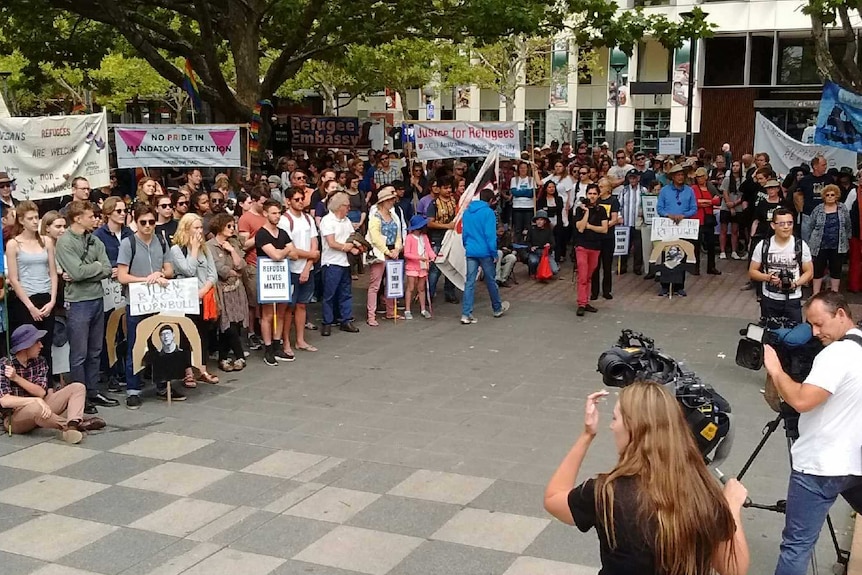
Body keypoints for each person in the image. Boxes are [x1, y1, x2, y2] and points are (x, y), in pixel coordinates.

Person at [543, 382, 749, 575]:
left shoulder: (606, 492)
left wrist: (587, 435)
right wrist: (730, 507)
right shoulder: (702, 491)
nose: (611, 426)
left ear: (633, 428)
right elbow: (733, 568)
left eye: (615, 418)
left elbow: (553, 499)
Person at [764, 291, 862, 575]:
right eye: (811, 326)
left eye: (820, 324)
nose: (816, 332)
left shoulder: (836, 354)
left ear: (841, 314)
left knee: (797, 546)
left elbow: (802, 400)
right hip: (855, 462)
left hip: (818, 467)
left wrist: (777, 370)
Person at [54, 200, 118, 414]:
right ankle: (78, 395)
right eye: (90, 216)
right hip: (78, 301)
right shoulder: (65, 242)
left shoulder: (94, 239)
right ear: (78, 218)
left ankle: (92, 390)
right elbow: (77, 272)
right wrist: (95, 268)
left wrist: (91, 269)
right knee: (79, 352)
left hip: (97, 298)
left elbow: (107, 268)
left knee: (95, 349)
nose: (95, 219)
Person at [0, 325, 106, 443]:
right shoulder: (4, 365)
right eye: (37, 342)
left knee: (78, 387)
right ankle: (70, 426)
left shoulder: (40, 361)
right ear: (26, 346)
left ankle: (73, 424)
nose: (41, 345)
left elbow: (40, 392)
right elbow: (5, 401)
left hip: (42, 405)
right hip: (15, 417)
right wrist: (34, 401)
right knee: (36, 408)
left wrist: (16, 378)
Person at [117, 205, 177, 407]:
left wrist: (160, 274)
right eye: (143, 222)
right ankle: (133, 389)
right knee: (136, 344)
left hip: (158, 301)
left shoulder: (160, 240)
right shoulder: (128, 243)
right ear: (136, 222)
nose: (148, 226)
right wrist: (146, 279)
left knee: (160, 342)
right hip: (136, 301)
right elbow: (122, 276)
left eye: (151, 221)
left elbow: (169, 269)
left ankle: (162, 384)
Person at [6, 201, 58, 371]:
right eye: (31, 218)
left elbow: (52, 272)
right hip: (26, 298)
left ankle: (48, 386)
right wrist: (30, 306)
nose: (35, 221)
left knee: (47, 346)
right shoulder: (14, 244)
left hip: (46, 296)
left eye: (37, 217)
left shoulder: (46, 241)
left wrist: (52, 301)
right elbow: (14, 279)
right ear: (21, 221)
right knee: (29, 346)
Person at [171, 214, 219, 384]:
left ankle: (202, 369)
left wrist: (205, 289)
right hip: (185, 299)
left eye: (201, 228)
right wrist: (193, 249)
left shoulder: (205, 248)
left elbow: (213, 273)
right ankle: (187, 371)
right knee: (185, 335)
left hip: (202, 298)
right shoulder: (176, 249)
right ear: (186, 228)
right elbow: (188, 270)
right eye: (196, 228)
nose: (200, 231)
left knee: (202, 334)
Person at [749, 208, 814, 327]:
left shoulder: (800, 245)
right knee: (770, 334)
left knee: (793, 334)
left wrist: (795, 284)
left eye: (790, 223)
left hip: (793, 299)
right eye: (782, 223)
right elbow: (752, 271)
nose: (786, 227)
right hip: (770, 298)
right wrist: (768, 277)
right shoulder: (763, 245)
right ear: (773, 225)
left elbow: (809, 272)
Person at [255, 200, 297, 366]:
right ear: (265, 213)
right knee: (266, 313)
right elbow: (277, 256)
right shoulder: (262, 234)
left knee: (281, 311)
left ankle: (277, 344)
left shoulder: (283, 232)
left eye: (279, 213)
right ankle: (268, 349)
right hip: (267, 275)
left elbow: (293, 254)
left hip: (281, 275)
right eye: (273, 213)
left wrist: (283, 251)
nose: (277, 216)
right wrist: (285, 250)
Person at [278, 187, 320, 353]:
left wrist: (308, 266)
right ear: (288, 201)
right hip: (291, 268)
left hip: (306, 268)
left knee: (302, 305)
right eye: (296, 199)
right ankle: (286, 342)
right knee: (289, 307)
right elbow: (292, 250)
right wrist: (312, 255)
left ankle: (300, 340)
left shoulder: (308, 219)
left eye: (302, 198)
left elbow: (314, 243)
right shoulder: (285, 220)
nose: (301, 201)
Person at [460, 188, 510, 325]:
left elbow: (464, 233)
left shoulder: (467, 212)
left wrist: (467, 245)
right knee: (490, 280)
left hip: (471, 250)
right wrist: (493, 252)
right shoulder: (488, 212)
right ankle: (497, 308)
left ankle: (466, 313)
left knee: (469, 282)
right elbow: (490, 235)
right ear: (490, 200)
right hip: (485, 251)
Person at [207, 213, 248, 373]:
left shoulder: (232, 243)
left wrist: (231, 250)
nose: (232, 229)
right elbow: (219, 269)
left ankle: (223, 358)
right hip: (222, 290)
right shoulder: (210, 246)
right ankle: (239, 355)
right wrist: (232, 271)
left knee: (235, 323)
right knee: (226, 324)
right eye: (229, 226)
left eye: (233, 226)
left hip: (236, 289)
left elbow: (241, 265)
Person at [319, 192, 362, 336]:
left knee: (346, 292)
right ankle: (327, 322)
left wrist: (357, 246)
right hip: (332, 262)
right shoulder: (327, 220)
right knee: (329, 294)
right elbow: (331, 242)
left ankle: (345, 319)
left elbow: (351, 237)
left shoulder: (346, 221)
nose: (349, 208)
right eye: (347, 206)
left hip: (344, 262)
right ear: (340, 206)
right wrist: (346, 247)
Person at [238, 185, 271, 351]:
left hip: (268, 264)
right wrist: (261, 235)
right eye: (262, 203)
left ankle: (261, 329)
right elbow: (243, 245)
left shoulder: (267, 215)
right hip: (253, 264)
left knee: (264, 301)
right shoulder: (245, 219)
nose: (264, 206)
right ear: (255, 201)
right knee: (253, 302)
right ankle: (251, 332)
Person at [366, 187, 404, 326]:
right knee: (375, 285)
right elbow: (375, 238)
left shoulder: (393, 216)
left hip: (392, 250)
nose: (392, 202)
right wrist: (389, 252)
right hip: (380, 252)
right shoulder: (375, 217)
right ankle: (371, 315)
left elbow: (398, 234)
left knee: (391, 283)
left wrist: (397, 248)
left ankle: (390, 311)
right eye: (389, 200)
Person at [808, 184, 852, 294]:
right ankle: (815, 293)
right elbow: (810, 225)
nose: (830, 197)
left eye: (832, 195)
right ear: (824, 196)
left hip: (837, 246)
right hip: (820, 245)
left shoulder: (843, 208)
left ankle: (834, 293)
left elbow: (848, 225)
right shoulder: (818, 209)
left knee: (836, 270)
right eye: (827, 195)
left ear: (837, 196)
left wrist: (847, 240)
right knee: (818, 270)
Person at [574, 184, 608, 316]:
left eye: (594, 193)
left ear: (598, 195)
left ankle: (585, 301)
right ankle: (581, 303)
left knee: (588, 276)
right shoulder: (579, 210)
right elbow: (580, 228)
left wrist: (590, 226)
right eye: (590, 193)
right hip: (582, 246)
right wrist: (587, 212)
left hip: (596, 246)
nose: (592, 196)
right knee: (582, 276)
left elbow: (604, 229)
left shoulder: (602, 210)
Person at [426, 176, 460, 304]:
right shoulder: (433, 204)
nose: (448, 190)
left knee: (451, 265)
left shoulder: (454, 201)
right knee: (435, 267)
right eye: (445, 188)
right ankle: (429, 294)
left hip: (452, 236)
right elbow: (429, 223)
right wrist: (447, 226)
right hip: (437, 237)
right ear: (438, 189)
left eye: (450, 187)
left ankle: (450, 293)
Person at [794, 154, 833, 243]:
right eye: (823, 165)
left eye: (826, 165)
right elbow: (797, 195)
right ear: (815, 166)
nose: (825, 167)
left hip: (825, 214)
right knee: (806, 241)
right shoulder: (805, 180)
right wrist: (801, 209)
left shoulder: (829, 179)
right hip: (808, 215)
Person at [592, 178, 619, 300]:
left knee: (607, 265)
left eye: (602, 186)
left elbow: (614, 219)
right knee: (595, 265)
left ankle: (607, 290)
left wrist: (604, 226)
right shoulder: (596, 200)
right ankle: (594, 291)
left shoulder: (613, 201)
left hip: (608, 237)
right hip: (596, 237)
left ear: (608, 188)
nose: (599, 188)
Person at [403, 215, 435, 320]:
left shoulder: (424, 237)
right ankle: (407, 309)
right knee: (411, 288)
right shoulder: (409, 238)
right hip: (412, 267)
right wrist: (419, 258)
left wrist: (433, 256)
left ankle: (423, 309)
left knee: (421, 288)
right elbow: (406, 253)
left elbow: (429, 249)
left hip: (423, 266)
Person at [692, 167, 722, 275]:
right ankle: (695, 267)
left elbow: (717, 200)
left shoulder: (711, 187)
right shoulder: (694, 188)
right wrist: (709, 202)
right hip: (698, 219)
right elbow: (695, 202)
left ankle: (711, 267)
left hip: (708, 219)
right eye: (698, 177)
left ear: (706, 177)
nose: (699, 179)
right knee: (696, 245)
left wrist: (705, 202)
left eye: (701, 177)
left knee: (711, 245)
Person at [617, 169, 645, 275]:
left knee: (638, 247)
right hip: (626, 223)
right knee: (624, 246)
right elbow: (618, 206)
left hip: (638, 224)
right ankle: (622, 267)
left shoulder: (643, 191)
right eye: (630, 177)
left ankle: (637, 268)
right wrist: (619, 217)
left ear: (638, 178)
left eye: (634, 177)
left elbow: (646, 205)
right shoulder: (624, 191)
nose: (632, 179)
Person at [537, 181, 568, 263]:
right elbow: (541, 210)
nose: (551, 189)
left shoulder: (559, 199)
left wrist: (547, 209)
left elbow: (559, 209)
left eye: (553, 187)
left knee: (557, 241)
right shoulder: (541, 200)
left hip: (557, 222)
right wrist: (551, 209)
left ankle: (557, 259)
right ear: (546, 189)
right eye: (549, 187)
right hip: (546, 223)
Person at [510, 161, 542, 240]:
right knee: (518, 228)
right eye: (521, 168)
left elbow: (531, 193)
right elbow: (514, 192)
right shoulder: (514, 179)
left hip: (529, 206)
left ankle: (527, 243)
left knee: (528, 227)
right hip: (517, 207)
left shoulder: (532, 179)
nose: (523, 170)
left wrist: (520, 192)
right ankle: (517, 243)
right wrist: (526, 192)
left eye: (524, 168)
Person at [720, 160, 745, 260]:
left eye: (737, 165)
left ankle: (734, 251)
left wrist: (735, 204)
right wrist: (730, 206)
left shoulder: (743, 180)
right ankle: (722, 251)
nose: (735, 167)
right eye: (733, 166)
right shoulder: (727, 179)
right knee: (723, 230)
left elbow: (743, 195)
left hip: (738, 207)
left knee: (735, 230)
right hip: (726, 207)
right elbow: (725, 192)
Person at [525, 210, 558, 279]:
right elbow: (527, 242)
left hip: (545, 253)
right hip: (534, 252)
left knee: (555, 270)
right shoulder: (531, 229)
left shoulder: (549, 230)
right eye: (537, 220)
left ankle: (545, 270)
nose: (539, 222)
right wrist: (530, 247)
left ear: (545, 221)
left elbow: (553, 243)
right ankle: (532, 271)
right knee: (533, 261)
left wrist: (549, 245)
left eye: (541, 220)